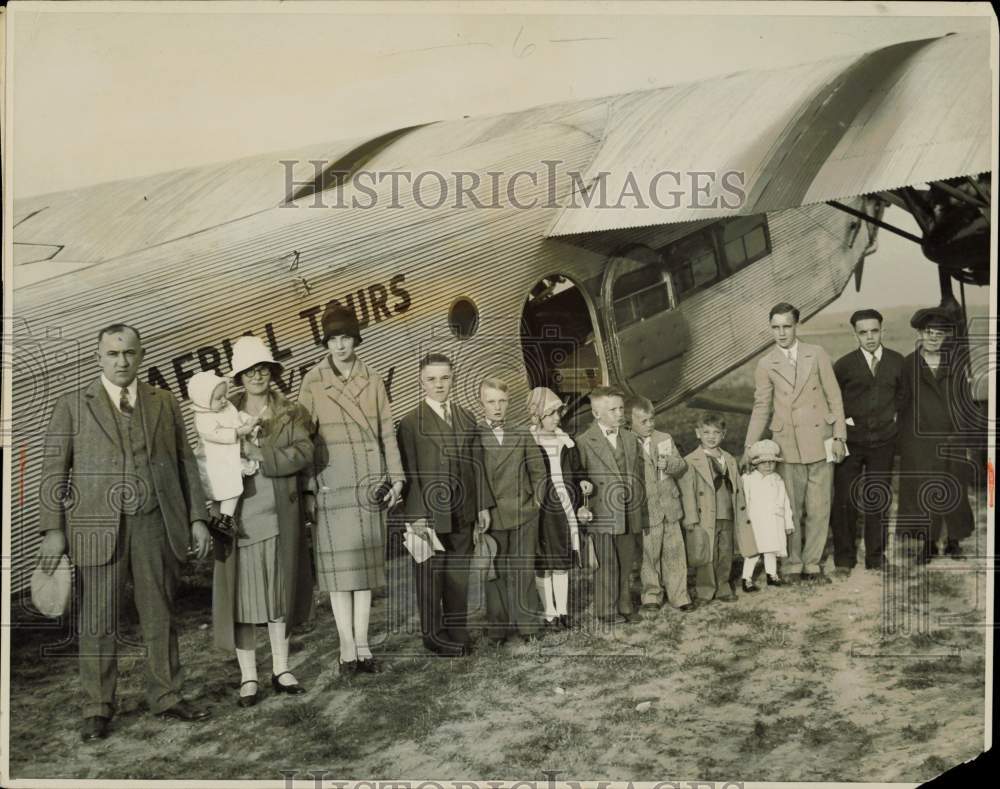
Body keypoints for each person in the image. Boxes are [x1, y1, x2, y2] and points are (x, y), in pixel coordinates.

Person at [36, 324, 212, 742]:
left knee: (161, 613)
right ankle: (97, 707)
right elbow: (52, 472)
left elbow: (186, 462)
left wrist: (197, 517)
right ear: (98, 357)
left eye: (129, 353)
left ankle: (167, 695)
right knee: (97, 619)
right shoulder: (74, 406)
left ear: (141, 355)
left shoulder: (163, 402)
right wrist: (52, 531)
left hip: (155, 522)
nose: (122, 361)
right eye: (113, 354)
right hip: (97, 528)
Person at [298, 304, 405, 673]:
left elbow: (386, 432)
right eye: (333, 339)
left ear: (355, 339)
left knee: (364, 573)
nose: (340, 346)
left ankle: (363, 646)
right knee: (338, 576)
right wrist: (309, 488)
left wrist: (397, 478)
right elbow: (304, 439)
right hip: (331, 484)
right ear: (325, 343)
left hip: (367, 484)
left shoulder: (373, 379)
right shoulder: (312, 382)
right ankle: (346, 648)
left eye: (345, 338)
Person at [211, 335, 315, 706]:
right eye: (249, 371)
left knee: (278, 596)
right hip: (240, 523)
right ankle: (249, 677)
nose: (257, 376)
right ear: (239, 376)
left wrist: (261, 454)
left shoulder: (289, 411)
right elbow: (206, 458)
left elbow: (304, 452)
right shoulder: (220, 413)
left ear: (272, 372)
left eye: (263, 369)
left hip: (279, 520)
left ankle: (282, 669)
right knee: (241, 601)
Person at [742, 302, 847, 584]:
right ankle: (791, 562)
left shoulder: (817, 354)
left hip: (820, 439)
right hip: (786, 444)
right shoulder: (766, 364)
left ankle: (812, 562)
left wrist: (839, 436)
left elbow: (834, 397)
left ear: (796, 325)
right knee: (788, 508)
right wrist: (749, 445)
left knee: (819, 506)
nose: (781, 333)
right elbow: (761, 407)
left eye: (786, 326)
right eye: (775, 327)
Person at [397, 353, 493, 656]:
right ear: (421, 381)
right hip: (429, 512)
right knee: (430, 574)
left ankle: (456, 627)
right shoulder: (411, 423)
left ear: (453, 378)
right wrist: (416, 516)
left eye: (445, 378)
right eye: (432, 379)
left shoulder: (466, 417)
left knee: (458, 571)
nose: (439, 385)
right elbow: (410, 471)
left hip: (463, 509)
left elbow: (477, 463)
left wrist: (482, 505)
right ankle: (433, 634)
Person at [831, 309, 906, 574]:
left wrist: (891, 421)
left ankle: (876, 557)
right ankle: (843, 559)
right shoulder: (843, 365)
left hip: (883, 442)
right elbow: (833, 402)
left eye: (874, 331)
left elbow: (903, 397)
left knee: (878, 498)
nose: (870, 337)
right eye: (863, 332)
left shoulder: (898, 362)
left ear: (881, 330)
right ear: (855, 334)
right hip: (850, 442)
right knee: (844, 500)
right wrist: (843, 430)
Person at [897, 307, 975, 563]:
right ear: (920, 333)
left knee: (954, 491)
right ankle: (928, 545)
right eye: (929, 332)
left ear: (945, 337)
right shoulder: (908, 365)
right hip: (920, 443)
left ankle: (954, 542)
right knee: (925, 492)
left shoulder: (955, 363)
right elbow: (902, 402)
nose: (934, 338)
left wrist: (963, 436)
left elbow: (964, 403)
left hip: (952, 439)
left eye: (939, 334)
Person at [476, 378, 547, 643]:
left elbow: (539, 471)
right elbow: (473, 476)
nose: (497, 407)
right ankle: (498, 629)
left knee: (523, 568)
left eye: (502, 401)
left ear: (509, 403)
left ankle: (528, 626)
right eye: (491, 401)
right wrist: (479, 510)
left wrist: (537, 501)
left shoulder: (521, 432)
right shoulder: (475, 435)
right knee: (494, 573)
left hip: (524, 512)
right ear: (481, 403)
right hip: (491, 517)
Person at [575, 386, 648, 625]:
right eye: (612, 410)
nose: (619, 414)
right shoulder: (584, 441)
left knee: (626, 560)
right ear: (597, 414)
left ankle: (624, 604)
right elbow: (580, 477)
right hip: (603, 513)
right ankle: (606, 609)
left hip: (628, 511)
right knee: (606, 563)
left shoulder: (629, 438)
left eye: (620, 408)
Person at [527, 387, 593, 630]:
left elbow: (577, 472)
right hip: (542, 509)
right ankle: (549, 613)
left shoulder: (566, 441)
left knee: (562, 559)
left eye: (558, 413)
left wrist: (584, 481)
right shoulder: (530, 443)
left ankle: (563, 612)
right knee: (544, 561)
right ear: (537, 416)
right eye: (551, 414)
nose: (557, 418)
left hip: (564, 506)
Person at [626, 396, 694, 614]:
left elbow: (681, 465)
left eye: (652, 419)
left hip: (670, 507)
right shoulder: (627, 443)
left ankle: (679, 595)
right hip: (648, 510)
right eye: (644, 421)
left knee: (675, 553)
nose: (650, 425)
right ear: (630, 422)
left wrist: (671, 464)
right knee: (649, 555)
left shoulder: (664, 438)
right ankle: (651, 595)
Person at [679, 412, 746, 603]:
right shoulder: (692, 461)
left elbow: (737, 487)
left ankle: (723, 586)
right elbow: (688, 491)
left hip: (727, 513)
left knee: (725, 551)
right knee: (706, 554)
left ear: (723, 435)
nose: (711, 436)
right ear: (698, 433)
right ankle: (705, 589)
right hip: (705, 515)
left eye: (716, 432)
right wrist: (690, 517)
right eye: (706, 432)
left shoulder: (729, 459)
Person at [188, 371, 260, 540]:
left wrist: (247, 420)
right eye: (218, 398)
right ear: (204, 400)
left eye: (224, 395)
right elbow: (216, 434)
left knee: (232, 488)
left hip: (228, 454)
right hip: (216, 460)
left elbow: (235, 418)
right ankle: (224, 520)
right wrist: (239, 431)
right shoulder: (203, 418)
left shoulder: (226, 406)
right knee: (230, 488)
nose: (224, 400)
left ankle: (221, 518)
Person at [737, 439, 794, 590]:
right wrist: (744, 522)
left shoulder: (777, 479)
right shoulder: (748, 479)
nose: (768, 465)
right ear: (755, 463)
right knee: (753, 551)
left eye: (771, 462)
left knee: (771, 550)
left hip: (774, 521)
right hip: (755, 521)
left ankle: (772, 574)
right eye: (763, 462)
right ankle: (746, 578)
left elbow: (785, 501)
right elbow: (744, 502)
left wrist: (788, 522)